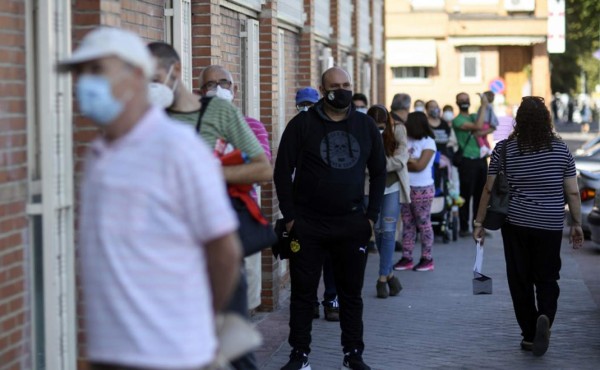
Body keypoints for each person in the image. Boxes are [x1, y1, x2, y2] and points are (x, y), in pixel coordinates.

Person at [58, 27, 242, 370]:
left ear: (137, 76)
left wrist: (198, 326)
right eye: (80, 74)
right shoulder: (97, 155)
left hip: (172, 354)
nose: (85, 84)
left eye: (98, 71)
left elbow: (224, 251)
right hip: (112, 355)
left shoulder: (178, 148)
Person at [274, 67, 386, 370]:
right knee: (303, 293)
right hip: (308, 224)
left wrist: (371, 217)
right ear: (323, 90)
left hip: (352, 224)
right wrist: (290, 218)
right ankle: (300, 355)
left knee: (351, 295)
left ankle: (353, 355)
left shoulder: (365, 126)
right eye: (335, 86)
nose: (342, 89)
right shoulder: (302, 125)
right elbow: (282, 171)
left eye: (347, 84)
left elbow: (379, 173)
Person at [473, 96, 584, 357]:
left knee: (519, 279)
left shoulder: (504, 148)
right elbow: (573, 192)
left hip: (516, 223)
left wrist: (479, 222)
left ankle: (529, 334)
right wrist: (576, 224)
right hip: (550, 224)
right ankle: (545, 315)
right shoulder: (561, 150)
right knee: (547, 276)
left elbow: (489, 188)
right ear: (547, 119)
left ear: (518, 120)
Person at [295, 86, 340, 321]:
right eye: (301, 105)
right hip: (304, 205)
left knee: (331, 257)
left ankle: (331, 299)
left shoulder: (328, 129)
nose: (306, 110)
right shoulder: (295, 128)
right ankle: (311, 301)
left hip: (329, 205)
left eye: (310, 105)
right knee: (308, 259)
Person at [365, 105, 409, 298]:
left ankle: (382, 278)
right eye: (375, 126)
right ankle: (390, 273)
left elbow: (401, 158)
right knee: (378, 230)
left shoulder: (398, 129)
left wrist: (378, 166)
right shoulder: (362, 130)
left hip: (391, 186)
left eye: (381, 126)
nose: (378, 130)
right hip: (369, 187)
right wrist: (375, 168)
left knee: (389, 230)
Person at [393, 112, 437, 271]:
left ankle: (427, 258)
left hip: (422, 188)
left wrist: (403, 163)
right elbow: (398, 160)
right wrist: (408, 162)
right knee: (407, 223)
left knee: (423, 223)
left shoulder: (428, 142)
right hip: (405, 186)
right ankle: (407, 257)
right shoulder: (406, 140)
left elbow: (420, 166)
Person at [452, 92, 493, 237]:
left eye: (466, 99)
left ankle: (478, 226)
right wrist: (483, 107)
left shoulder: (474, 115)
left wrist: (480, 131)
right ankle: (463, 228)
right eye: (461, 99)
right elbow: (478, 126)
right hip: (467, 160)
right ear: (457, 102)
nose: (464, 101)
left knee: (481, 195)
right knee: (465, 194)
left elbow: (489, 127)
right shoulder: (457, 120)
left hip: (481, 159)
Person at [474, 91, 499, 158]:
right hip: (487, 125)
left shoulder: (486, 105)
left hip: (483, 123)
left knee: (478, 135)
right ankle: (489, 149)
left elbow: (484, 98)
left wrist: (480, 95)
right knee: (484, 138)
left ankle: (483, 147)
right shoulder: (490, 106)